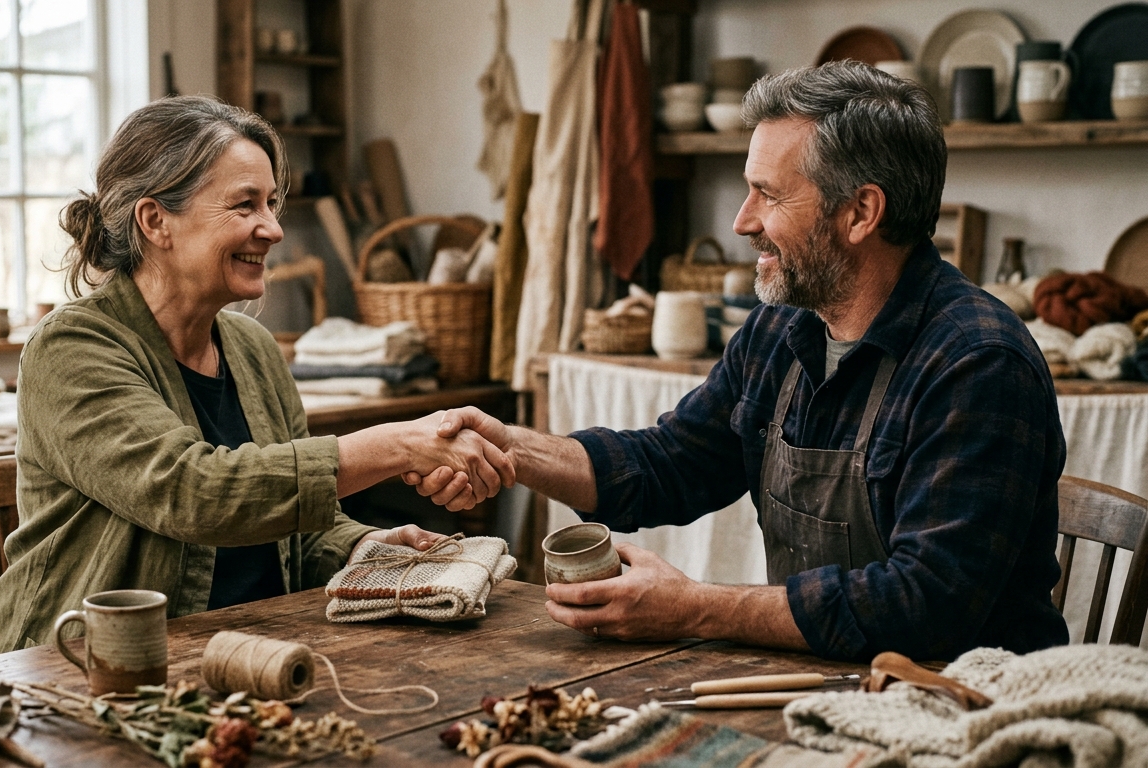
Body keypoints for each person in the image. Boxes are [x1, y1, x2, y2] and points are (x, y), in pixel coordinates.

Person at [409, 61, 1069, 662]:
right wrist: (512, 451)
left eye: (768, 194)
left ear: (862, 212)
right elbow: (672, 462)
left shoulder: (977, 362)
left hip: (966, 707)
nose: (742, 221)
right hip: (822, 677)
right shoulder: (783, 328)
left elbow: (926, 607)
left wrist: (696, 607)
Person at [0, 97, 510, 655]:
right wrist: (398, 444)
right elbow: (192, 492)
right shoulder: (70, 348)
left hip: (240, 658)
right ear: (155, 220)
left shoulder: (253, 349)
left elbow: (297, 531)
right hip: (83, 670)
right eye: (245, 205)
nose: (273, 228)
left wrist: (365, 544)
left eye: (272, 204)